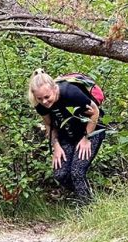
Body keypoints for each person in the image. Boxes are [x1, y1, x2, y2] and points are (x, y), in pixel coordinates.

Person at [27, 70, 104, 204]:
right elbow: (49, 125)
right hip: (67, 135)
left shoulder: (70, 93)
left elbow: (95, 112)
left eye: (47, 97)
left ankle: (88, 208)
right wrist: (56, 146)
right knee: (60, 174)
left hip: (92, 130)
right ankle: (86, 196)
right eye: (40, 98)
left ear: (54, 89)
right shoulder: (40, 105)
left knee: (77, 172)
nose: (44, 101)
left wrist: (86, 138)